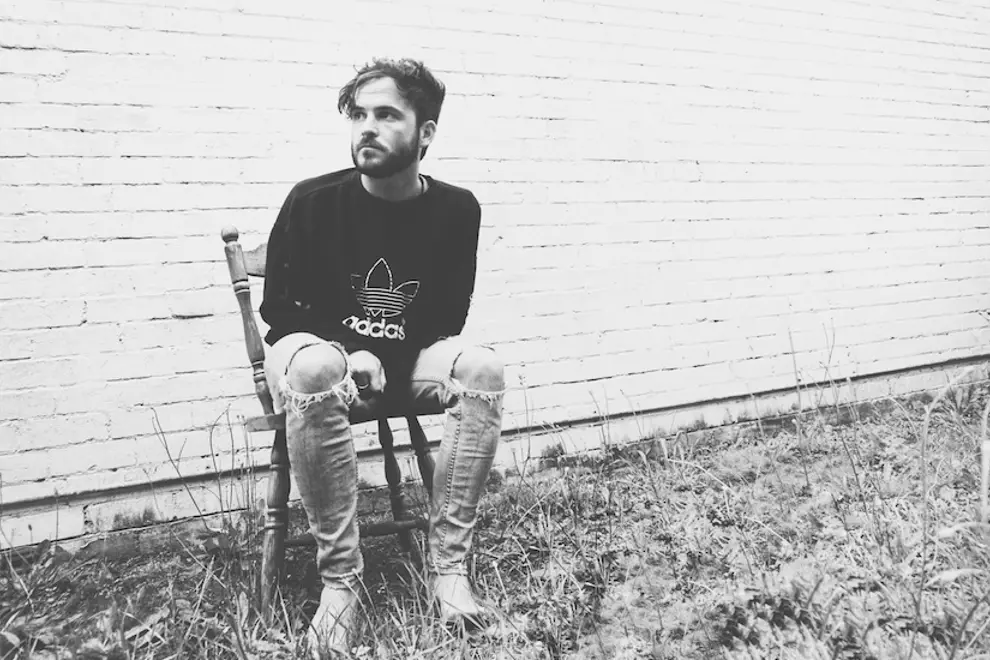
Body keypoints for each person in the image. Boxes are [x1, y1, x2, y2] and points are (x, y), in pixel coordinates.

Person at [259, 57, 505, 657]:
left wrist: (384, 355)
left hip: (404, 357)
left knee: (483, 368)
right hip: (312, 354)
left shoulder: (457, 209)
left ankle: (449, 571)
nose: (367, 127)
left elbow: (446, 318)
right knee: (316, 369)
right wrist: (349, 352)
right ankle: (340, 586)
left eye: (387, 115)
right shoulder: (313, 201)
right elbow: (280, 309)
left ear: (425, 132)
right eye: (359, 115)